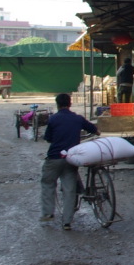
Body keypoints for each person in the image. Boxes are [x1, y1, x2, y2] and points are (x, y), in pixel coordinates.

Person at [40, 92, 98, 230]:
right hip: (71, 160)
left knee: (48, 183)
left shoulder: (53, 119)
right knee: (70, 190)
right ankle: (67, 222)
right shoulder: (78, 118)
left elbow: (48, 138)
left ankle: (48, 213)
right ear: (70, 104)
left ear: (57, 104)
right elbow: (95, 130)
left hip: (54, 158)